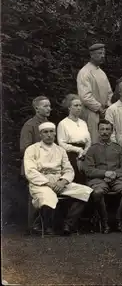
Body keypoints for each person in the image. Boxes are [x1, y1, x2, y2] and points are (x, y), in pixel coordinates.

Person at [23, 122, 93, 235]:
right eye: (45, 132)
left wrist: (63, 181)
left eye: (51, 132)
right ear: (40, 135)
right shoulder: (32, 149)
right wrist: (48, 183)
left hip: (59, 182)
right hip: (41, 183)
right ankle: (47, 227)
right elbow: (30, 171)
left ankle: (68, 224)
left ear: (55, 133)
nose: (49, 135)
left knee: (85, 191)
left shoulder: (60, 150)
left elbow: (69, 169)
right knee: (48, 197)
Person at [83, 119, 122, 233]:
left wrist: (115, 174)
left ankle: (119, 219)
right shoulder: (92, 149)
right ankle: (104, 221)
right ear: (98, 131)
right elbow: (88, 170)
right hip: (98, 180)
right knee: (97, 193)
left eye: (107, 129)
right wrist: (104, 173)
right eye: (102, 129)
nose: (105, 132)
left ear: (111, 131)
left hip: (117, 179)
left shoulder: (118, 148)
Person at [20, 96, 51, 233]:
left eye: (49, 106)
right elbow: (24, 148)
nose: (49, 108)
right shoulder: (30, 125)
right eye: (45, 106)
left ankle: (46, 224)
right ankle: (33, 225)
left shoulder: (49, 125)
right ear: (36, 108)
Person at [77, 43, 113, 143]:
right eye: (100, 53)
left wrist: (108, 107)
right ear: (92, 55)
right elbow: (85, 96)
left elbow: (109, 93)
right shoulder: (84, 72)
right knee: (93, 141)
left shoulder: (102, 73)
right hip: (91, 113)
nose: (103, 56)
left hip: (105, 113)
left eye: (104, 53)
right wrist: (100, 109)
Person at [57, 94, 91, 185]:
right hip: (71, 155)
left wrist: (86, 150)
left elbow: (88, 140)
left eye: (80, 105)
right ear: (69, 107)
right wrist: (78, 150)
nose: (79, 108)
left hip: (85, 154)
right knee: (75, 178)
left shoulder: (83, 123)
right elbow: (62, 143)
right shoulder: (63, 123)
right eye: (76, 105)